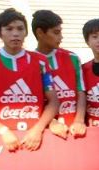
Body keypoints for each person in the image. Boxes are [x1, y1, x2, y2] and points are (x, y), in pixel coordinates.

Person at [0, 8, 60, 151]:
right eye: (9, 29)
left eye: (20, 28)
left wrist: (38, 129)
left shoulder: (40, 61)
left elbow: (53, 101)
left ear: (26, 33)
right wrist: (3, 131)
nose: (15, 33)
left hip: (34, 138)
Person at [32, 9, 87, 138]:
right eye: (56, 32)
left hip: (74, 128)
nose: (61, 37)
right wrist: (51, 121)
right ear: (40, 33)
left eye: (60, 32)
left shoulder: (72, 58)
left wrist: (79, 120)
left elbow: (81, 91)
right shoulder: (30, 61)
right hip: (44, 131)